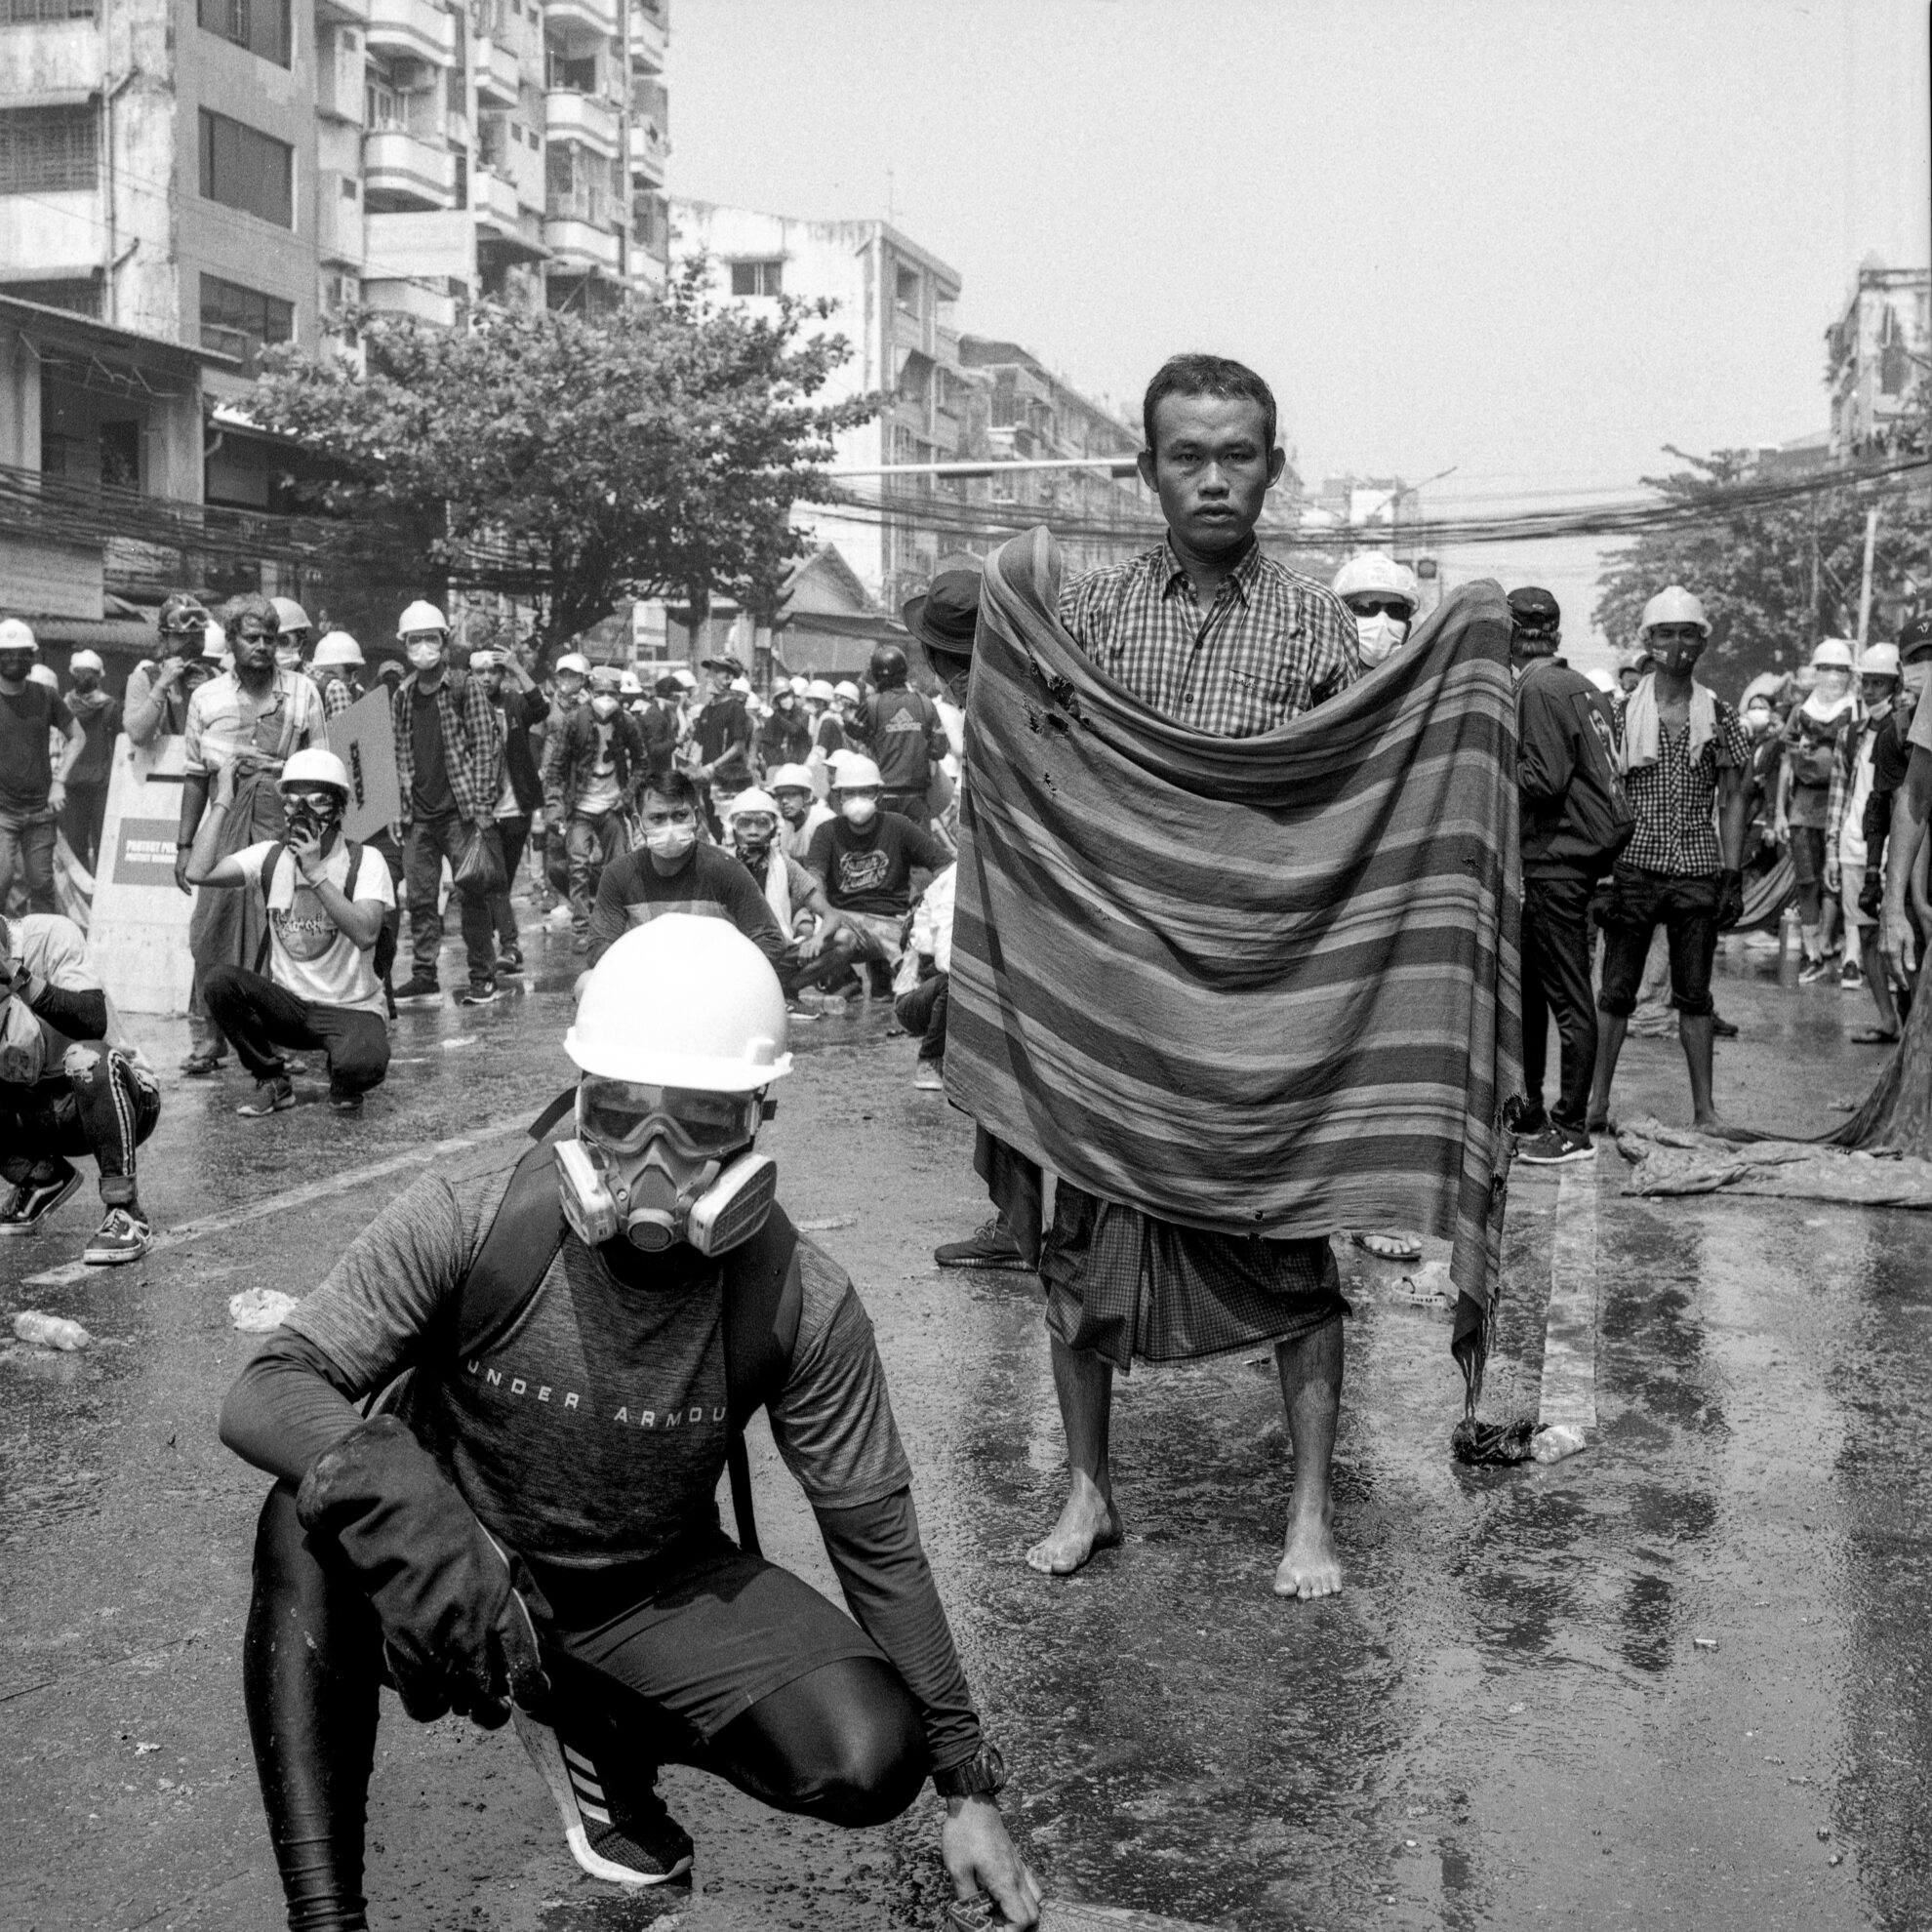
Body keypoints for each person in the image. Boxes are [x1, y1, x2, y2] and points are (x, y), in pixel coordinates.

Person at [217, 918, 1040, 1930]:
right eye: (620, 1113)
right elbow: (269, 1385)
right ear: (580, 1100)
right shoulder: (473, 1216)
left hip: (642, 1581)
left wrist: (966, 1788)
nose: (654, 1158)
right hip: (445, 1569)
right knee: (303, 1514)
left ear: (758, 1118)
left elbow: (878, 1545)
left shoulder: (796, 1299)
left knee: (870, 1756)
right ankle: (325, 1917)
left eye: (699, 1121)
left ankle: (587, 1726)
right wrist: (416, 1513)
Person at [1030, 353, 1358, 1596]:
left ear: (1273, 467)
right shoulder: (1092, 617)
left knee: (1292, 1251)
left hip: (1260, 992)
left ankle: (1311, 1513)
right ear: (1148, 469)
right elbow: (1038, 782)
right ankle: (1088, 1490)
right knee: (1077, 1249)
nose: (1213, 478)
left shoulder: (1320, 626)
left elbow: (1356, 808)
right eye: (1188, 456)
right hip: (1114, 988)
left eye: (1237, 456)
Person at [1585, 586, 1751, 1137]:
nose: (1677, 644)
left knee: (1695, 996)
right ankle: (1596, 1104)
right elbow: (1602, 796)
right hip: (1633, 866)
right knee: (1616, 992)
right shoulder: (1619, 714)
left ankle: (1705, 1112)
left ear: (1702, 642)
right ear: (1648, 641)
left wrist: (1732, 875)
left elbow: (1734, 798)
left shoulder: (1720, 715)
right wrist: (1601, 874)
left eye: (1687, 634)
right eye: (1665, 634)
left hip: (1697, 868)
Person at [188, 749, 394, 1116]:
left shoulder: (365, 860)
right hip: (291, 1007)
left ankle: (344, 1074)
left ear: (338, 809)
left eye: (316, 801)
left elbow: (366, 934)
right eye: (292, 801)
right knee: (219, 983)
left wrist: (315, 874)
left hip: (351, 1007)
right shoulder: (271, 856)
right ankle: (272, 1080)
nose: (302, 812)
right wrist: (223, 799)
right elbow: (197, 871)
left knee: (359, 1065)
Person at [177, 596, 329, 1076]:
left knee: (279, 927)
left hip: (284, 820)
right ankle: (212, 1035)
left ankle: (279, 1037)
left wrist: (319, 838)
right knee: (211, 929)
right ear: (232, 640)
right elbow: (195, 776)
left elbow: (322, 766)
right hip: (223, 820)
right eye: (251, 637)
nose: (262, 646)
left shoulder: (303, 692)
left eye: (270, 637)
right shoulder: (206, 698)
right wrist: (184, 846)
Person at [1508, 586, 1622, 1163]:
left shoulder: (1535, 689)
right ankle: (1529, 1107)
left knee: (1568, 993)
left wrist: (1490, 764)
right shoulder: (1579, 684)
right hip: (1570, 856)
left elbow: (1544, 779)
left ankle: (1572, 1126)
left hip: (1558, 857)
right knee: (1531, 986)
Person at [0, 906, 159, 1263]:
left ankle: (126, 1211)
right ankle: (41, 1177)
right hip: (42, 1107)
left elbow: (92, 1020)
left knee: (85, 1058)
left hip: (120, 1097)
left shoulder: (51, 935)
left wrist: (16, 977)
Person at [387, 601, 505, 1009]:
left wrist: (484, 807)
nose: (423, 647)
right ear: (405, 645)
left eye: (430, 638)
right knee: (421, 899)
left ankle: (483, 976)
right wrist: (396, 808)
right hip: (417, 816)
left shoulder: (463, 686)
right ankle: (424, 974)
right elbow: (398, 754)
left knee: (472, 894)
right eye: (414, 640)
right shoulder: (403, 695)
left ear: (444, 641)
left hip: (461, 813)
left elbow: (485, 746)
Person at [585, 770, 791, 978]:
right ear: (639, 824)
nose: (670, 827)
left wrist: (724, 970)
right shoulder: (619, 874)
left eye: (680, 816)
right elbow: (598, 948)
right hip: (647, 980)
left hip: (713, 981)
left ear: (696, 817)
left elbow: (770, 940)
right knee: (585, 983)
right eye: (657, 818)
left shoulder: (725, 870)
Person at [799, 754, 950, 995]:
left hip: (894, 922)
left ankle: (887, 974)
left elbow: (944, 866)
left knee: (917, 972)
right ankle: (837, 980)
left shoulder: (898, 826)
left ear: (879, 795)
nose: (857, 799)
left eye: (865, 792)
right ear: (838, 796)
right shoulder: (827, 832)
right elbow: (813, 878)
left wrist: (929, 904)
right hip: (843, 923)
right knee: (835, 935)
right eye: (849, 793)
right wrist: (824, 913)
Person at [544, 664, 646, 955]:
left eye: (611, 693)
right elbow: (556, 767)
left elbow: (642, 762)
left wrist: (626, 796)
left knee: (619, 868)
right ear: (590, 692)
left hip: (612, 806)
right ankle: (581, 929)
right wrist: (555, 806)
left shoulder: (627, 723)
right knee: (577, 867)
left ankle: (614, 926)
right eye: (600, 692)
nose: (605, 699)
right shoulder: (575, 720)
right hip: (580, 808)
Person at [1777, 637, 1859, 984]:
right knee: (1807, 880)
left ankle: (1833, 946)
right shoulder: (1801, 712)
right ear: (1817, 671)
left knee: (1838, 880)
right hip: (1803, 804)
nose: (1833, 676)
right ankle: (1811, 952)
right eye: (1827, 668)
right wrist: (1780, 812)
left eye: (1840, 669)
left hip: (1842, 805)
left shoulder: (1856, 710)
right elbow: (1786, 762)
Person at [1826, 642, 1900, 1026]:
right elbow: (1840, 795)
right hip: (1854, 847)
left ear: (1895, 685)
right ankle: (1887, 1020)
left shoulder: (1904, 732)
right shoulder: (1851, 734)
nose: (1870, 690)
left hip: (1894, 851)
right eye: (1866, 682)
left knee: (1899, 937)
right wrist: (1832, 849)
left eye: (1878, 683)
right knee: (1868, 937)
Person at [720, 787, 842, 1012]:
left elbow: (831, 916)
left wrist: (817, 940)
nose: (753, 831)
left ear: (774, 828)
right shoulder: (718, 864)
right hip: (732, 957)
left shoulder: (785, 866)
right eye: (745, 823)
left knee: (845, 940)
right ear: (732, 828)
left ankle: (786, 990)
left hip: (777, 953)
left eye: (762, 823)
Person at [471, 647, 547, 978]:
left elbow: (541, 708)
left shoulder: (514, 702)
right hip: (484, 809)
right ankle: (510, 946)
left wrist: (517, 667)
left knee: (503, 878)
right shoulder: (465, 706)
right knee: (495, 880)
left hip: (518, 807)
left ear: (502, 676)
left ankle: (495, 939)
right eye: (480, 671)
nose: (486, 677)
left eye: (493, 671)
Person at [0, 621, 85, 917]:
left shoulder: (46, 696)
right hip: (2, 813)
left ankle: (41, 943)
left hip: (40, 812)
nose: (14, 660)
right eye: (7, 654)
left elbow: (78, 737)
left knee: (42, 885)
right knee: (1, 879)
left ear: (32, 656)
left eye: (22, 654)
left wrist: (59, 781)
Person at [851, 644, 947, 827]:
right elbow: (940, 749)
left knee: (884, 844)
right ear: (904, 671)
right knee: (919, 845)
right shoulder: (925, 703)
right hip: (916, 797)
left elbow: (853, 730)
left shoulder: (872, 704)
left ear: (876, 675)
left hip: (883, 795)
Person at [125, 593, 217, 746]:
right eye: (181, 637)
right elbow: (137, 735)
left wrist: (211, 694)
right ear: (164, 640)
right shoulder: (143, 679)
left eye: (198, 636)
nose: (191, 644)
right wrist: (161, 686)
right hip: (159, 761)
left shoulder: (215, 677)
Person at [60, 650, 120, 873]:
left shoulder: (63, 704)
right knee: (102, 843)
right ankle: (98, 888)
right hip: (99, 783)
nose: (84, 677)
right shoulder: (110, 706)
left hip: (75, 782)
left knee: (77, 844)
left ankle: (83, 889)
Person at [896, 864, 955, 1091]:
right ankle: (929, 1059)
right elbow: (944, 960)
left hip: (934, 993)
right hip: (912, 1002)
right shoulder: (954, 882)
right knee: (953, 983)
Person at [1330, 552, 1420, 670]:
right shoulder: (1316, 676)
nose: (1382, 621)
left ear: (1407, 629)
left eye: (1396, 610)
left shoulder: (1422, 678)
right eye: (1365, 608)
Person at [689, 655, 756, 802]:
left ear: (728, 678)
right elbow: (699, 743)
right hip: (708, 781)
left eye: (714, 672)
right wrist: (691, 766)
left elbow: (738, 747)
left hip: (730, 782)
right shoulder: (706, 710)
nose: (708, 676)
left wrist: (712, 767)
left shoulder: (735, 708)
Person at [767, 761, 834, 862]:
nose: (784, 801)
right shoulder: (785, 829)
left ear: (806, 796)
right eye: (780, 795)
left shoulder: (823, 820)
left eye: (791, 794)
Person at [309, 632, 366, 721]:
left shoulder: (365, 700)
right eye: (321, 673)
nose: (325, 679)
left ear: (354, 676)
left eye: (332, 674)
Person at [758, 683, 814, 771]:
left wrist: (778, 717)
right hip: (779, 766)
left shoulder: (803, 715)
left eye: (786, 695)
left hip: (800, 765)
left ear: (792, 694)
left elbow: (795, 730)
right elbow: (767, 746)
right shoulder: (772, 720)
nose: (785, 699)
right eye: (780, 697)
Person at [271, 598, 314, 673]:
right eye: (269, 641)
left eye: (282, 640)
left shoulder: (315, 678)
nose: (275, 649)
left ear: (301, 641)